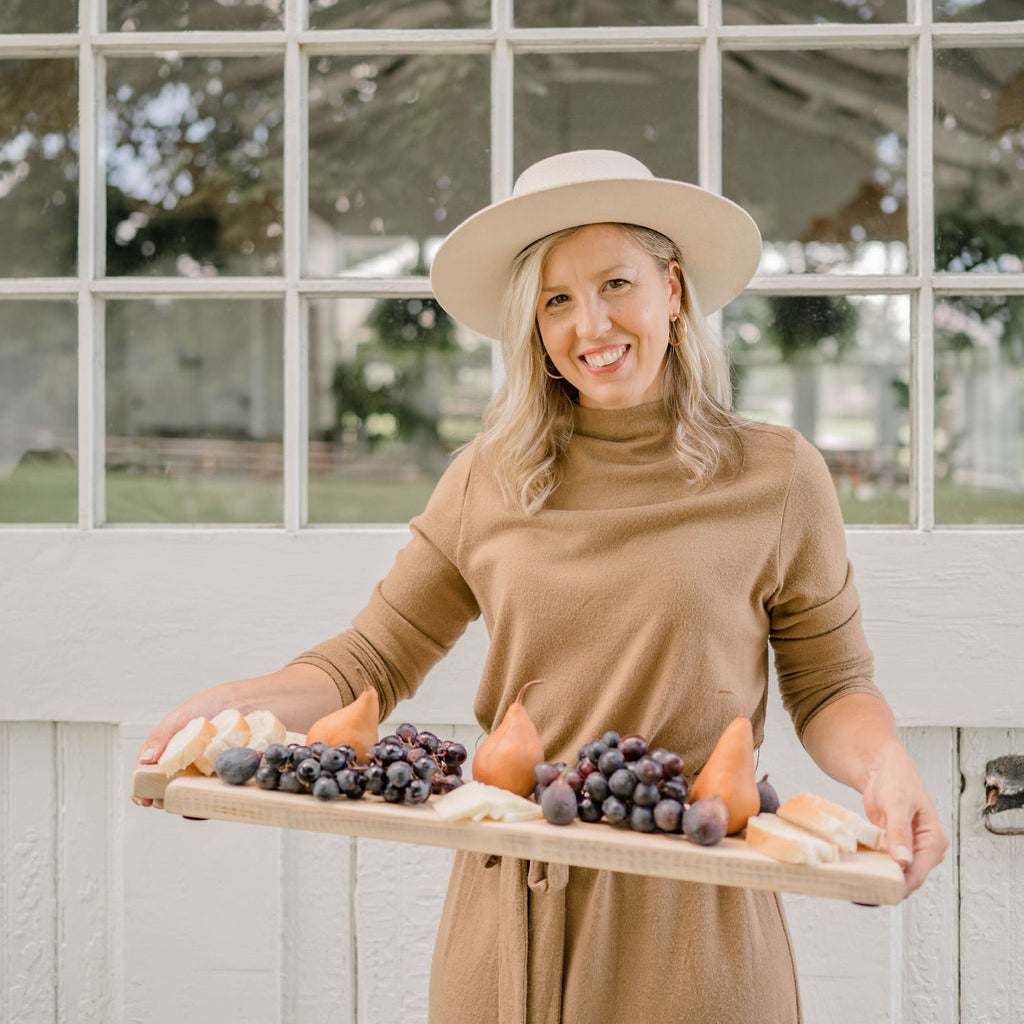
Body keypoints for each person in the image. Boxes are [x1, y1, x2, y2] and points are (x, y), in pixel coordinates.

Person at [135, 149, 948, 1023]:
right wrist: (229, 709)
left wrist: (887, 764)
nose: (589, 324)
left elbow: (831, 688)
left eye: (615, 284)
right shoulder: (490, 476)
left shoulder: (777, 477)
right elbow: (370, 659)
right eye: (556, 300)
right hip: (507, 920)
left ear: (672, 290)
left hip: (696, 924)